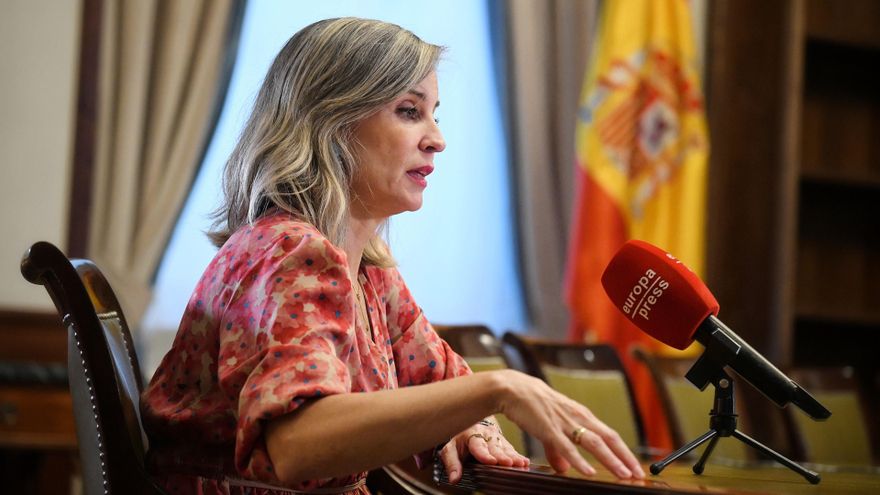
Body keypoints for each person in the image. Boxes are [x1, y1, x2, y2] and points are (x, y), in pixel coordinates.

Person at [142, 17, 645, 495]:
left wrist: (473, 420)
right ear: (331, 121)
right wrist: (500, 389)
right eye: (409, 111)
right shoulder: (288, 251)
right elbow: (299, 446)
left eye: (435, 114)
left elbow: (447, 385)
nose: (438, 140)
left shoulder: (368, 270)